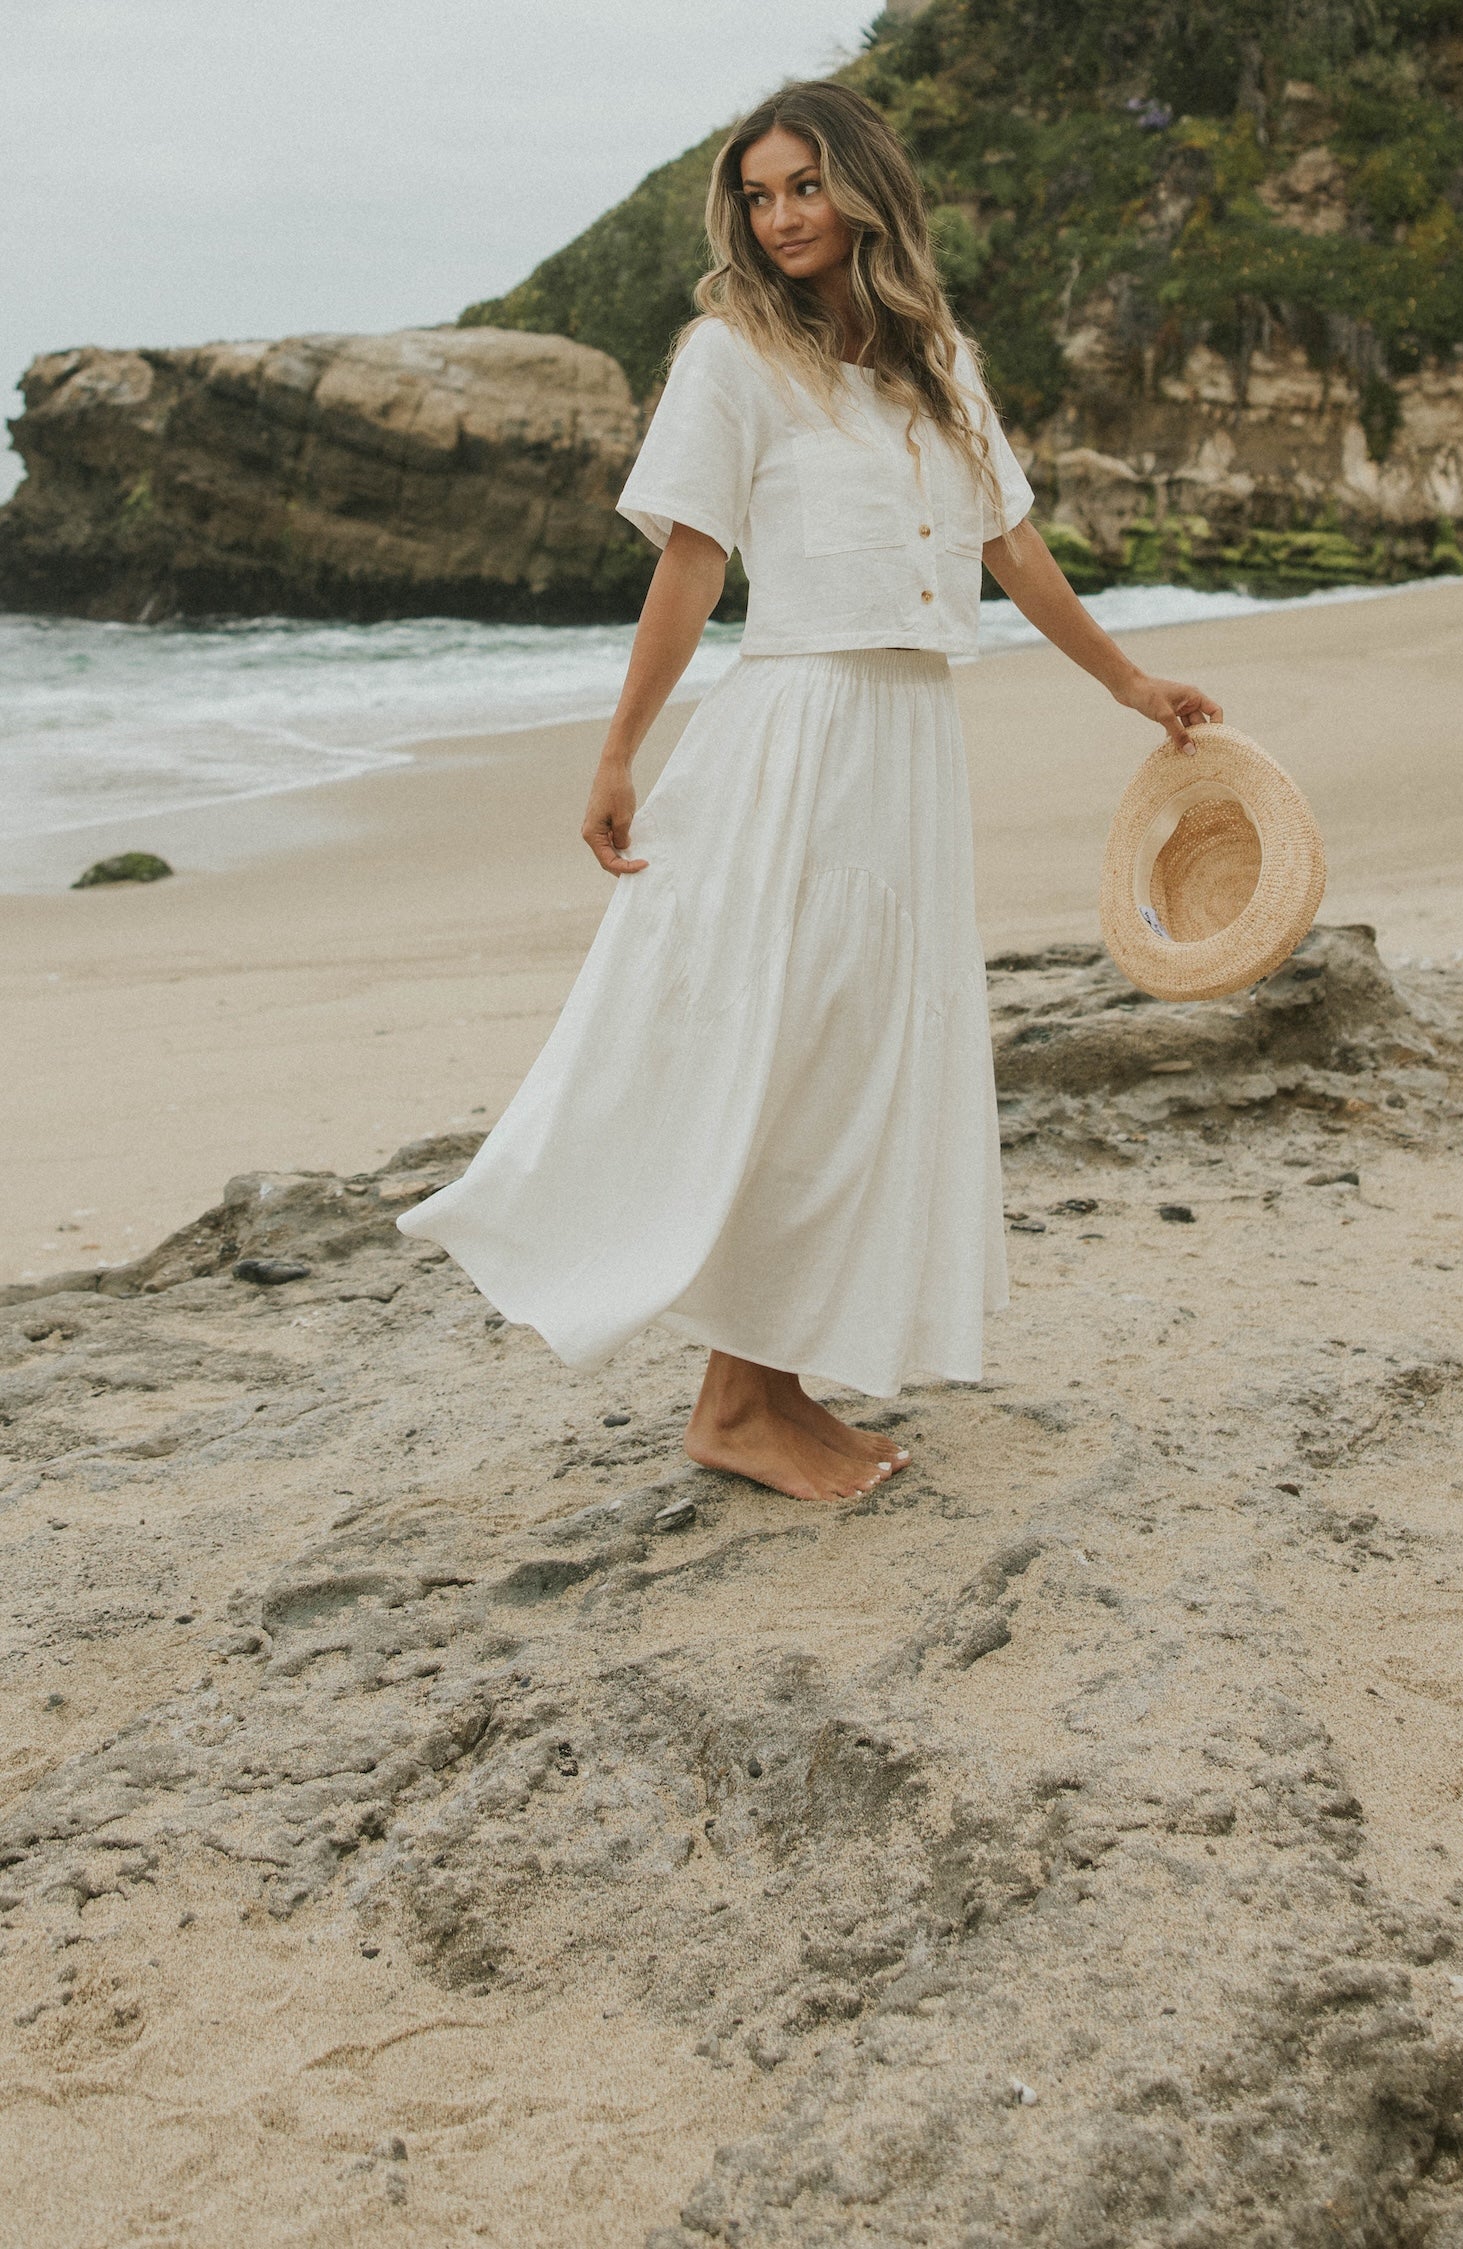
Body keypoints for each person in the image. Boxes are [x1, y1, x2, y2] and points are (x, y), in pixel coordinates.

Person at [397, 80, 1222, 1504]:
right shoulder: (730, 357)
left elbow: (1014, 549)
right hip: (799, 730)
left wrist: (1131, 688)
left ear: (862, 189)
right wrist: (617, 753)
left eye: (804, 187)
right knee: (786, 1047)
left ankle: (767, 1385)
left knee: (858, 1057)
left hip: (908, 738)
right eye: (760, 194)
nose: (780, 217)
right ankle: (737, 1401)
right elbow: (693, 563)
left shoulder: (938, 362)